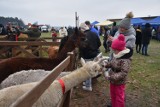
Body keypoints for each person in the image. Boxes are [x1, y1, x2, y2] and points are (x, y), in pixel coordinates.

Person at [103, 34, 132, 107]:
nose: (113, 51)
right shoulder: (116, 56)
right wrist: (106, 64)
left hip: (119, 82)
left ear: (120, 50)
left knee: (119, 96)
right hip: (112, 80)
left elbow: (123, 73)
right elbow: (112, 63)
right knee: (113, 94)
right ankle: (113, 105)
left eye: (115, 50)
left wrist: (111, 76)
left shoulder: (125, 60)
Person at [79, 22, 101, 91]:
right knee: (92, 69)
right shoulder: (94, 33)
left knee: (87, 70)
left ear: (82, 29)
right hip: (95, 54)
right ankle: (87, 82)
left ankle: (88, 86)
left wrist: (81, 55)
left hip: (87, 55)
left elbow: (81, 47)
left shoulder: (83, 36)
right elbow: (99, 43)